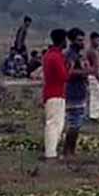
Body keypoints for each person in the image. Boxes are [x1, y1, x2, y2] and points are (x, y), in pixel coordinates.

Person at [42, 29, 69, 160]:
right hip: (56, 93)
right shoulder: (56, 56)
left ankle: (51, 151)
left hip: (51, 92)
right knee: (54, 124)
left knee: (54, 123)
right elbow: (64, 76)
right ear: (62, 40)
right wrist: (70, 66)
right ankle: (51, 153)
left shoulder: (48, 55)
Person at [63, 28, 91, 158]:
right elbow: (68, 72)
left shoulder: (77, 54)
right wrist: (85, 72)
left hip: (79, 91)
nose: (82, 42)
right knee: (74, 123)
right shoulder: (71, 55)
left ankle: (71, 150)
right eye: (79, 40)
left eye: (83, 40)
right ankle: (68, 151)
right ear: (72, 41)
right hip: (73, 92)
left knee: (77, 123)